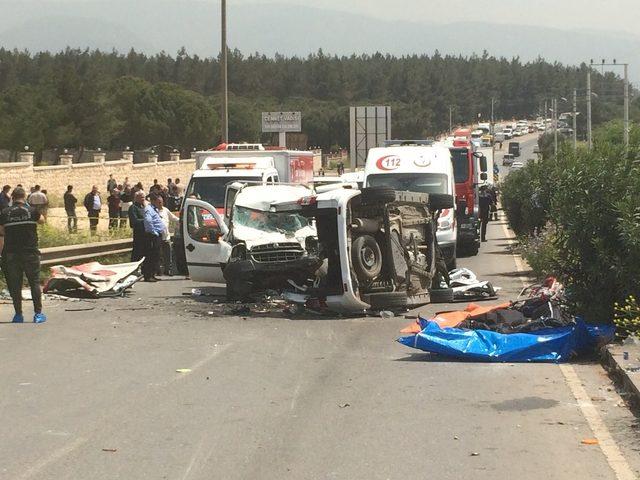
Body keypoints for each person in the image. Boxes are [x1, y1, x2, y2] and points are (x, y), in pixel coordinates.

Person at [0, 187, 47, 323]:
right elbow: (42, 220)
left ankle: (18, 315)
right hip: (30, 252)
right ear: (24, 196)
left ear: (12, 197)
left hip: (12, 254)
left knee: (15, 284)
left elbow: (1, 232)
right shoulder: (31, 211)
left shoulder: (4, 213)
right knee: (34, 283)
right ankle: (38, 314)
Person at [142, 193, 165, 282]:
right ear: (153, 201)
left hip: (157, 235)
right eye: (157, 201)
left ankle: (152, 274)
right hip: (152, 236)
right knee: (151, 255)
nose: (159, 203)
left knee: (156, 255)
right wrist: (153, 232)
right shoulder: (148, 209)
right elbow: (148, 221)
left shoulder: (154, 209)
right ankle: (148, 275)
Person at [157, 196, 179, 276]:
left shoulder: (165, 210)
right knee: (158, 254)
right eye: (158, 202)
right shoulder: (154, 211)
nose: (160, 204)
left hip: (166, 237)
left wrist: (181, 220)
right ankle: (158, 270)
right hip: (158, 237)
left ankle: (168, 270)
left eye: (161, 202)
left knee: (168, 254)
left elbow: (173, 218)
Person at [128, 191, 146, 262]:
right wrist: (145, 220)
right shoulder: (133, 208)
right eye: (141, 197)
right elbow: (134, 221)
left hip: (146, 233)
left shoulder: (144, 207)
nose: (143, 199)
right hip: (138, 233)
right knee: (137, 252)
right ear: (136, 198)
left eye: (144, 197)